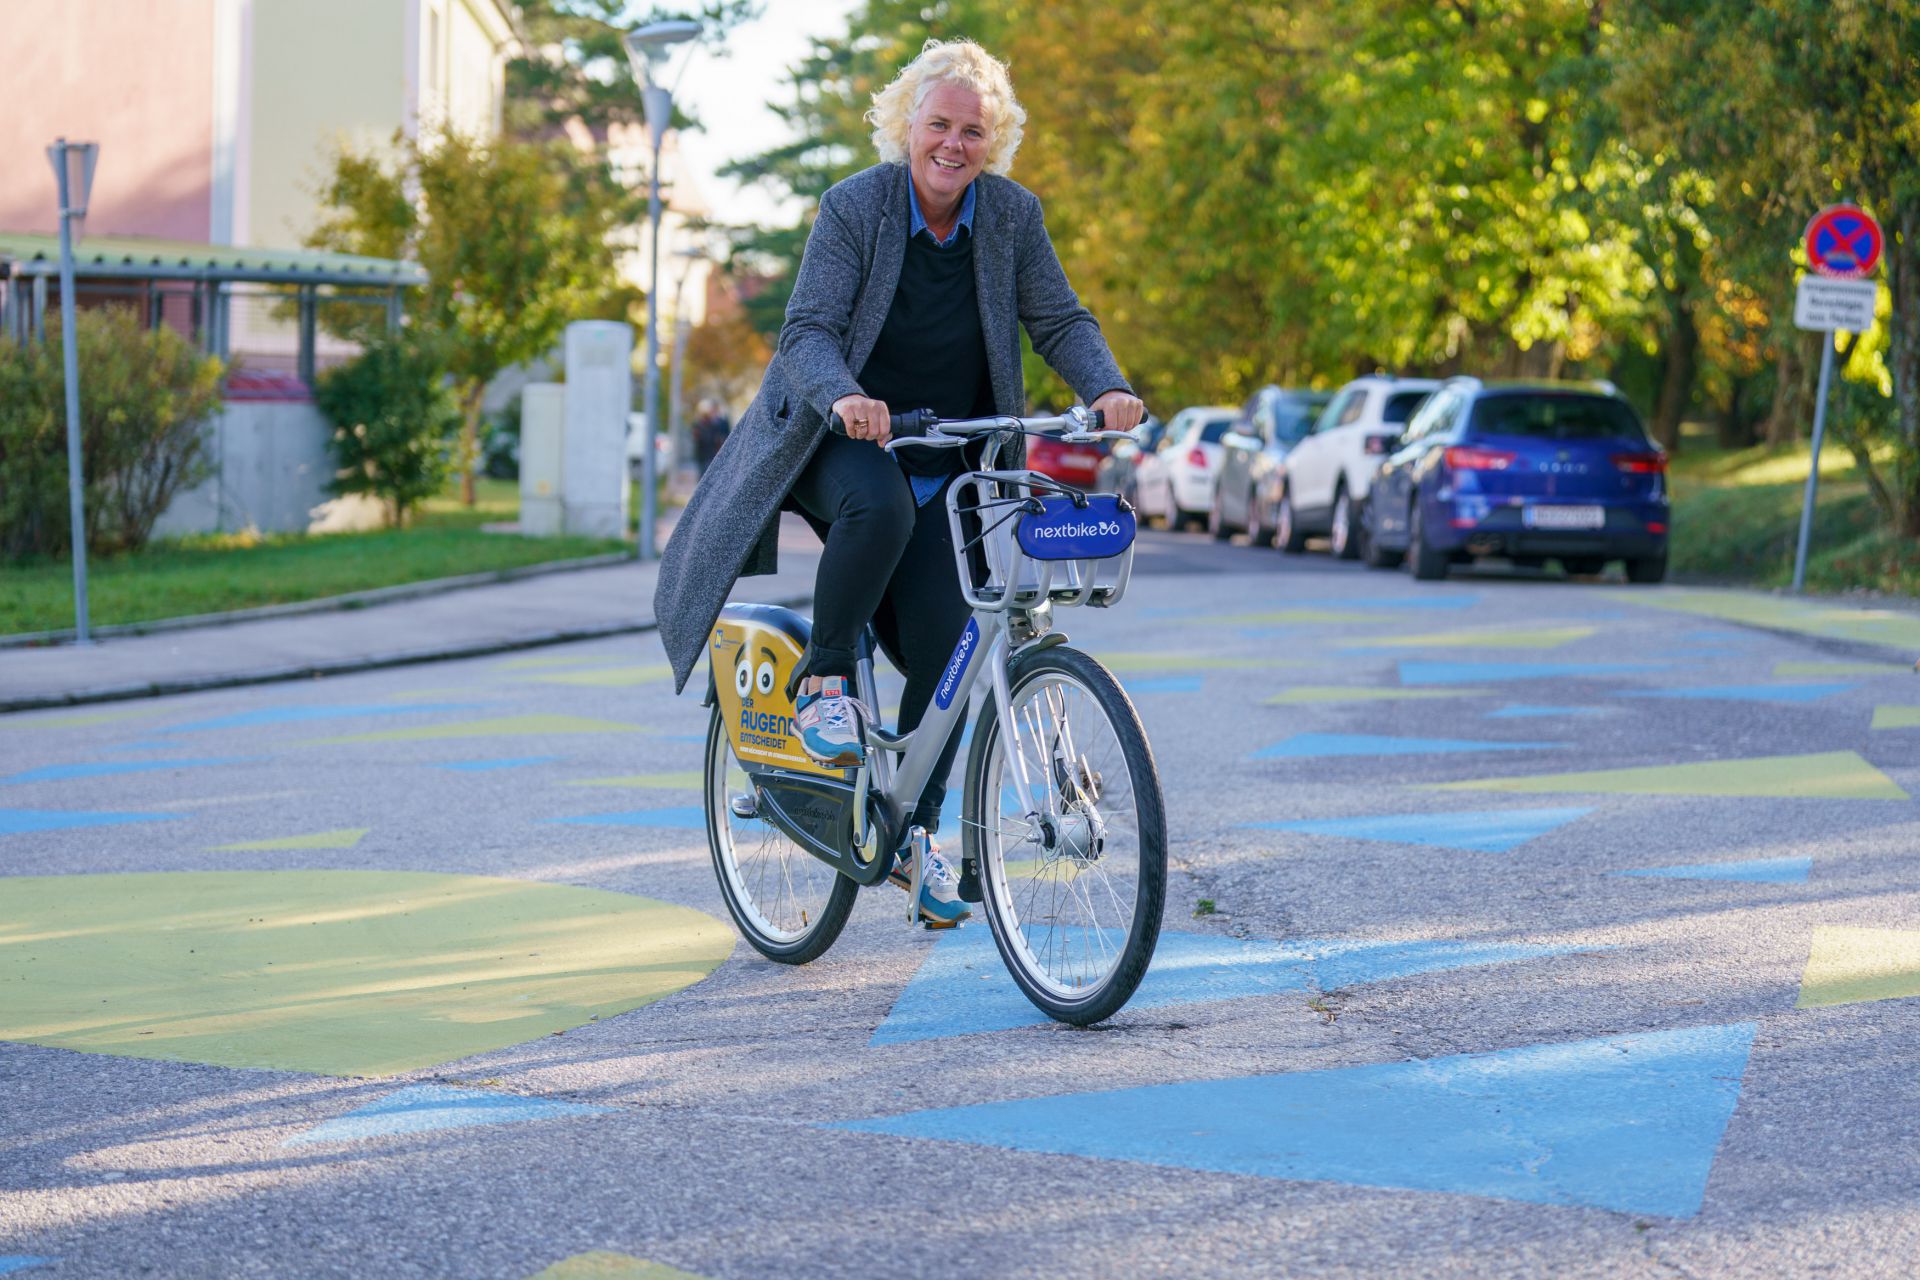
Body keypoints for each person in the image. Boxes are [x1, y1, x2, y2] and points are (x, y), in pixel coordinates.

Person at [653, 38, 1145, 925]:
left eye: (973, 131)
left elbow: (1058, 317)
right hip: (841, 435)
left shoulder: (1010, 217)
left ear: (992, 143)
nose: (953, 145)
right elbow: (806, 332)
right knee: (873, 500)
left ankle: (910, 839)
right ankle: (826, 682)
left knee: (951, 656)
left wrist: (1103, 384)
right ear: (906, 125)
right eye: (938, 124)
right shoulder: (856, 208)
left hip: (954, 454)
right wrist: (847, 397)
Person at [691, 399, 731, 473]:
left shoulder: (720, 422)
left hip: (713, 454)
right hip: (703, 455)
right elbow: (697, 438)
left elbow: (724, 436)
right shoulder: (698, 425)